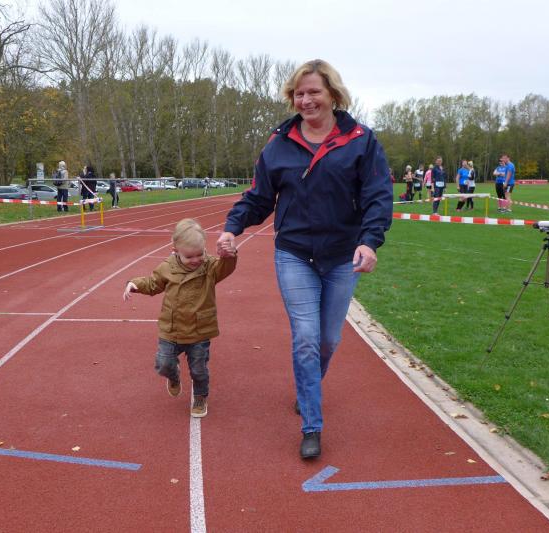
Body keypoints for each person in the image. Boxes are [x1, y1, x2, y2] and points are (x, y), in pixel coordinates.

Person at [216, 59, 393, 459]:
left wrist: (370, 242)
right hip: (294, 254)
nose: (306, 100)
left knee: (328, 340)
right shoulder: (279, 144)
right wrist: (232, 227)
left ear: (333, 94)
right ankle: (312, 425)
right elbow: (259, 197)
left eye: (314, 91)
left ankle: (307, 386)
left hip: (342, 256)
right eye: (299, 93)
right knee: (307, 339)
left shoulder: (361, 141)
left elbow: (378, 197)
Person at [122, 218, 237, 418]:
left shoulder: (209, 266)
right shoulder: (167, 267)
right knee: (164, 364)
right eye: (189, 256)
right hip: (172, 329)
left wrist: (229, 257)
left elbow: (225, 268)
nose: (196, 260)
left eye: (200, 254)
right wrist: (135, 284)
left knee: (199, 370)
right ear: (175, 250)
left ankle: (200, 397)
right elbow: (153, 283)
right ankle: (173, 376)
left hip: (199, 330)